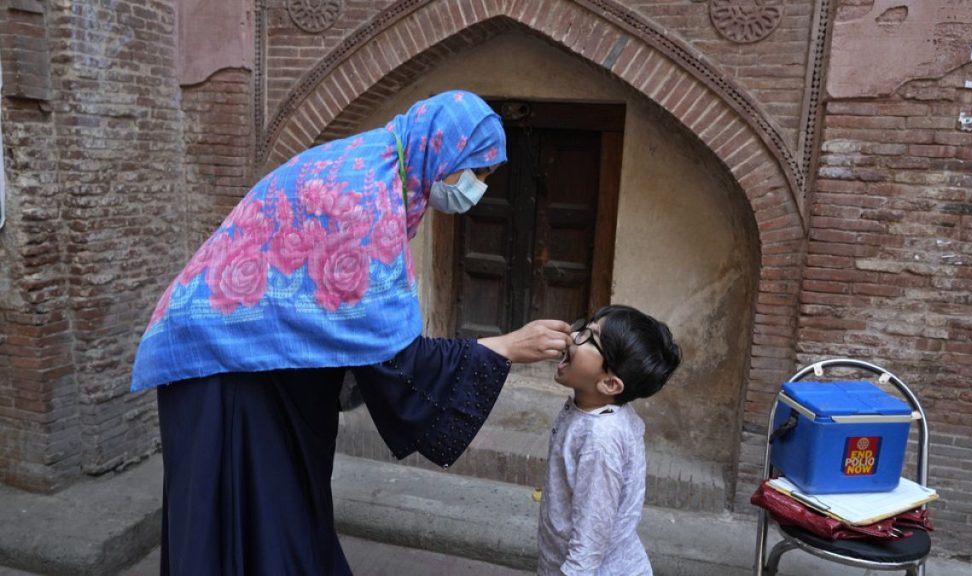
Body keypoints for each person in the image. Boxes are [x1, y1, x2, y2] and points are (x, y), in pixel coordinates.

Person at [131, 90, 572, 576]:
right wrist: (506, 347)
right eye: (477, 172)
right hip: (219, 362)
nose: (478, 188)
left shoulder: (385, 170)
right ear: (441, 150)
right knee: (240, 512)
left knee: (282, 506)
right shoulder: (366, 197)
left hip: (259, 357)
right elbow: (393, 358)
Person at [537, 305, 681, 576]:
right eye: (585, 326)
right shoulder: (590, 409)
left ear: (610, 384)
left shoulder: (600, 440)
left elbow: (592, 533)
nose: (572, 335)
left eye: (589, 338)